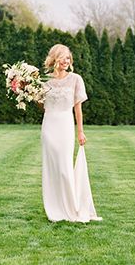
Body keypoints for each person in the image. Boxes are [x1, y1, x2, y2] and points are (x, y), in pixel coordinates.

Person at [38, 44, 102, 223]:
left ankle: (70, 207)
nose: (66, 61)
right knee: (51, 168)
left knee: (65, 167)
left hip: (66, 125)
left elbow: (78, 109)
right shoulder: (44, 81)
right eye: (62, 57)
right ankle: (54, 208)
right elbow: (43, 106)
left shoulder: (75, 79)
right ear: (54, 59)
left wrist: (80, 132)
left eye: (68, 58)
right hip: (49, 126)